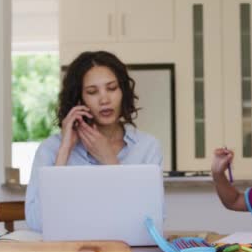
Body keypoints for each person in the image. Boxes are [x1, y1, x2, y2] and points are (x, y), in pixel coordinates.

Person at [25, 51, 163, 232]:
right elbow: (37, 223)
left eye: (112, 88)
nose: (104, 99)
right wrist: (64, 151)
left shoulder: (147, 147)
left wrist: (110, 161)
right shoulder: (50, 149)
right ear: (79, 99)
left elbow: (151, 222)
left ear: (123, 92)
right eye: (92, 92)